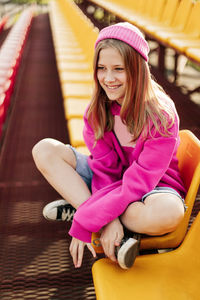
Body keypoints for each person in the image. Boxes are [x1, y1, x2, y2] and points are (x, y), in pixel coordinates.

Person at [32, 22, 186, 270]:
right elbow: (104, 171)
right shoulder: (97, 111)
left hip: (152, 188)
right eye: (101, 68)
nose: (108, 78)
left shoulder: (162, 116)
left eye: (118, 69)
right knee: (44, 149)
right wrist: (107, 218)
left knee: (169, 214)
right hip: (112, 186)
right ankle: (105, 219)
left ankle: (82, 205)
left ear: (137, 69)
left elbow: (140, 180)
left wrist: (88, 220)